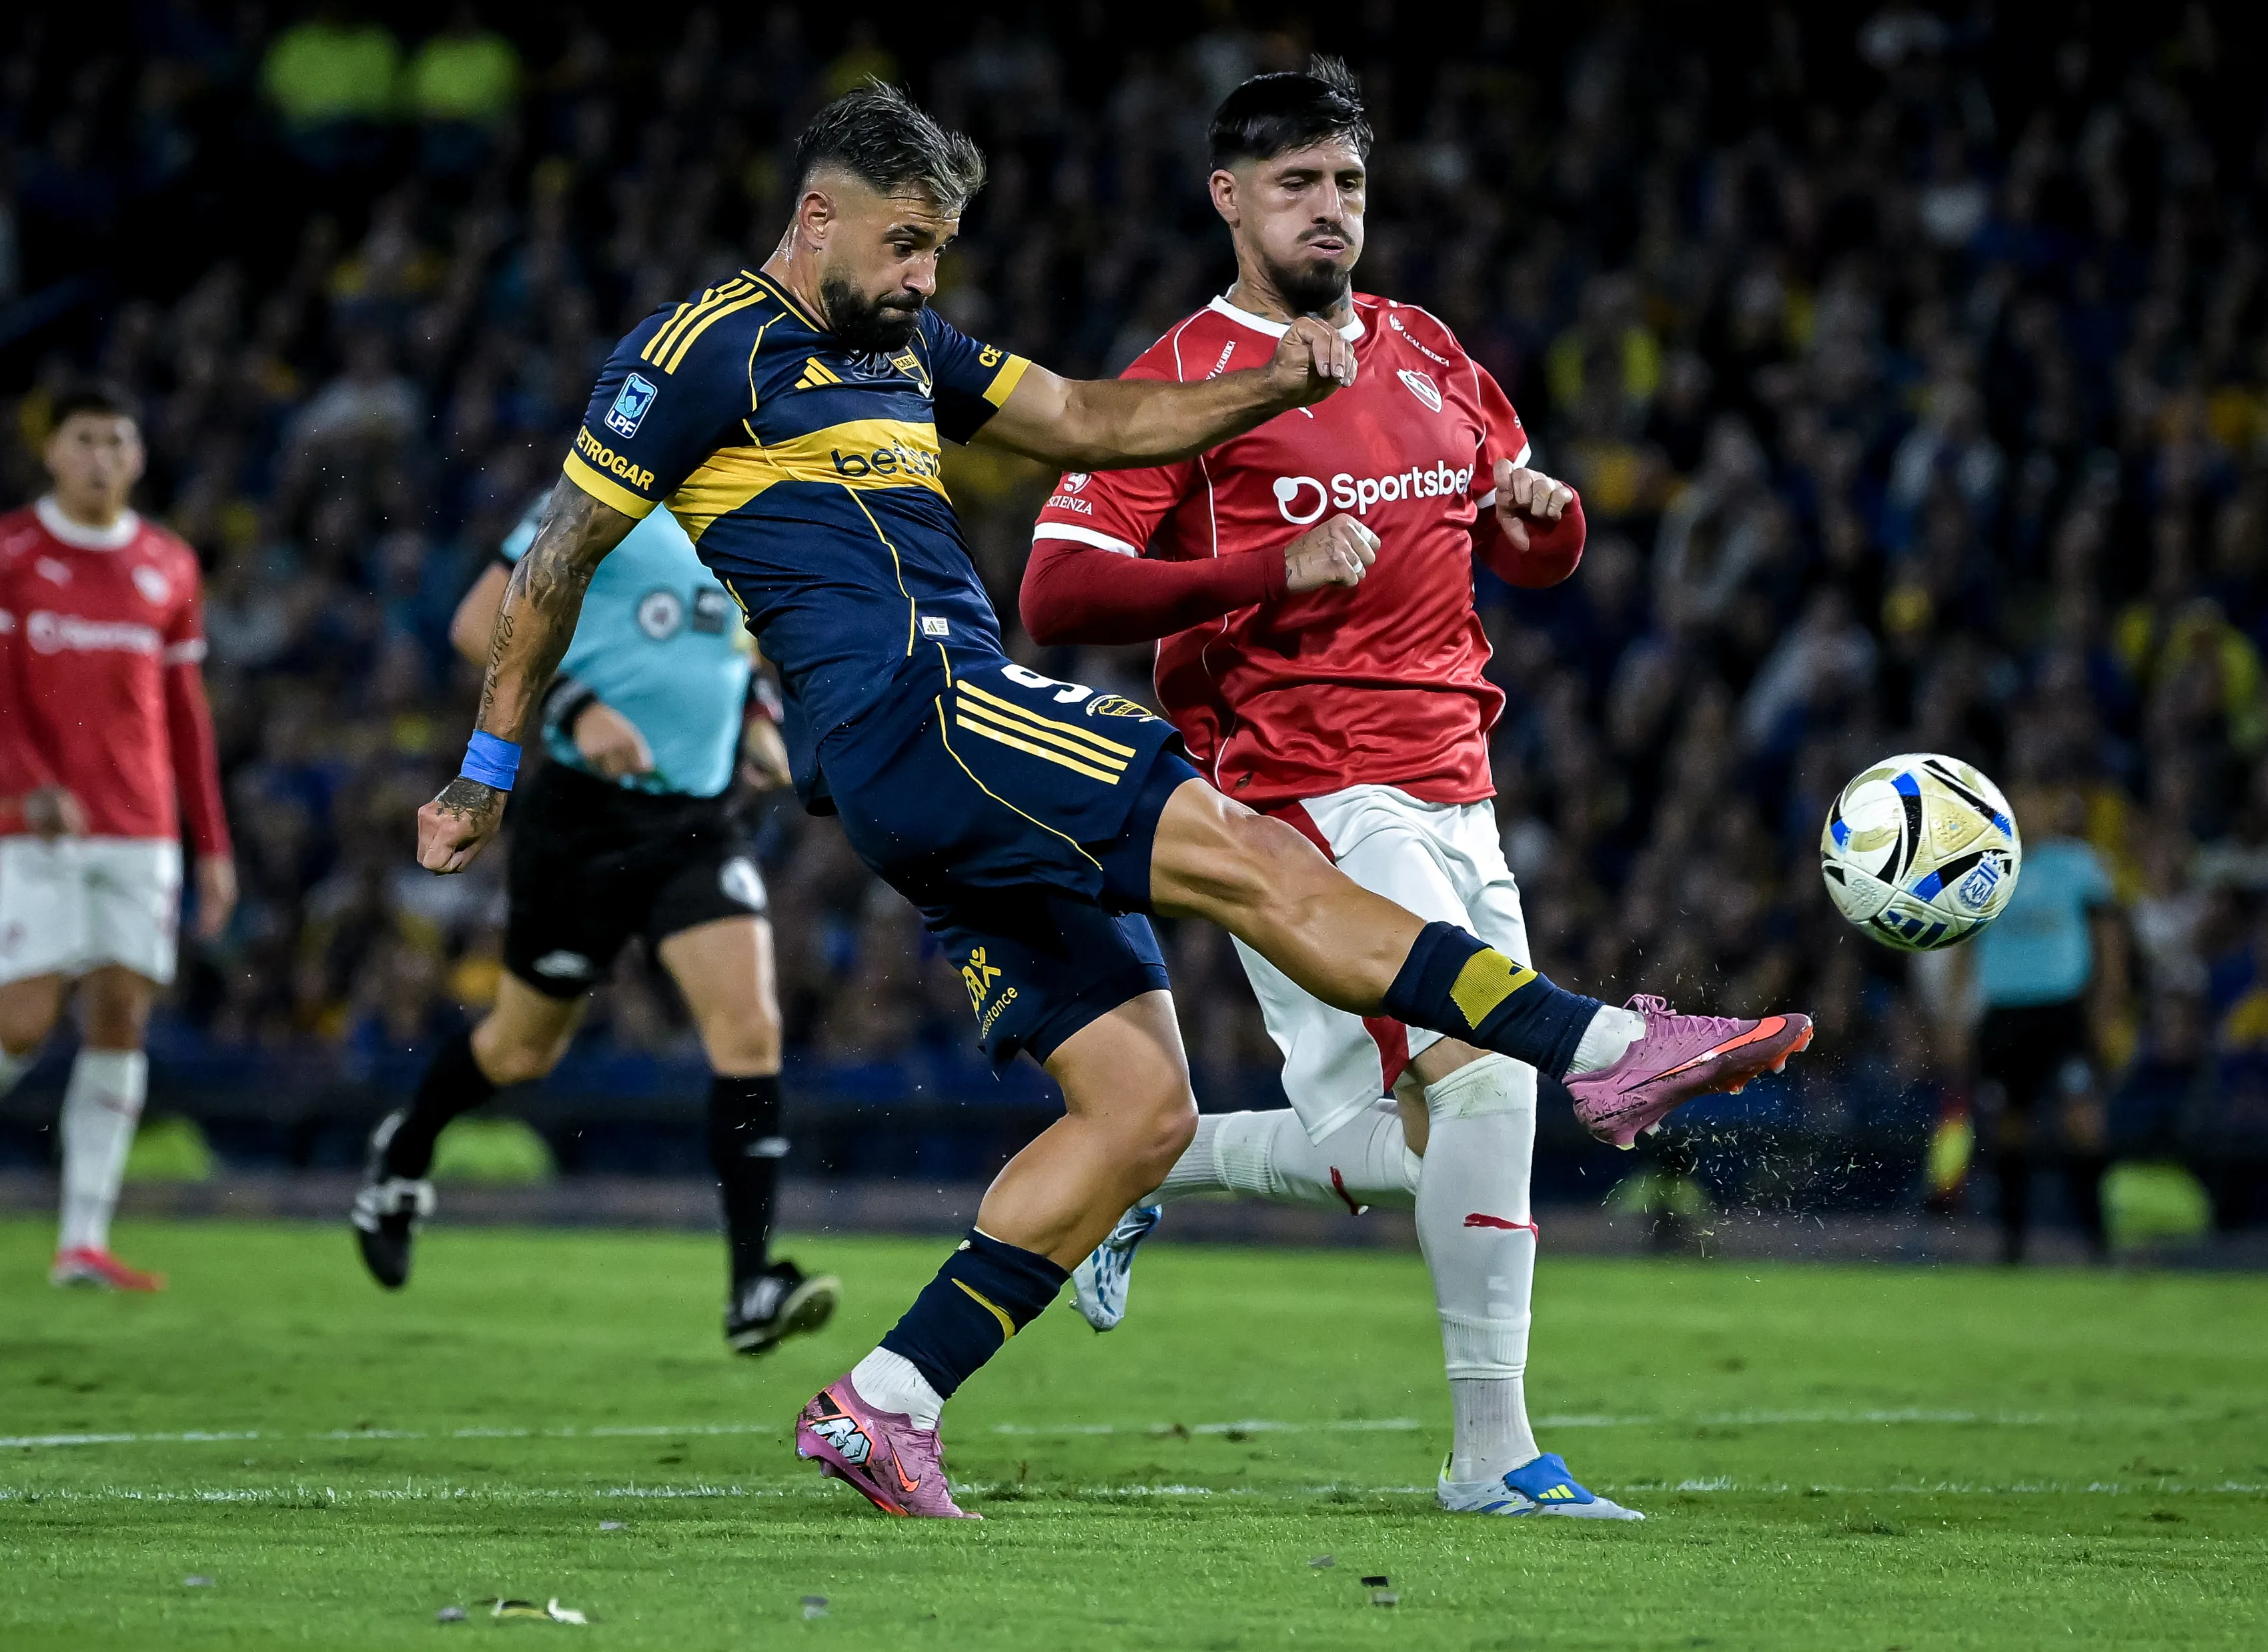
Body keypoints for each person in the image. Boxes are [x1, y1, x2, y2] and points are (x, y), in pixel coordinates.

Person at [413, 82, 1812, 1519]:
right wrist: (489, 769)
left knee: (1140, 1110)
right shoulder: (698, 349)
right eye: (903, 244)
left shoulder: (908, 342)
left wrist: (1272, 385)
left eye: (940, 249)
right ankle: (1606, 1041)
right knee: (1252, 853)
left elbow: (1082, 415)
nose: (923, 279)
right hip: (928, 706)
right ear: (815, 214)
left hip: (919, 763)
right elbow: (558, 558)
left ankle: (884, 1401)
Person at [1022, 60, 1640, 1519]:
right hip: (1295, 788)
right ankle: (1493, 1454)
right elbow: (1056, 590)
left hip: (1452, 776)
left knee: (1442, 1133)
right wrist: (1262, 567)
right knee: (1488, 1075)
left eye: (1346, 182)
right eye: (1296, 184)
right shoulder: (1183, 378)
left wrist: (1543, 528)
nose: (1329, 211)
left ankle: (1152, 1165)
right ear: (1229, 199)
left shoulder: (1426, 349)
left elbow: (1520, 545)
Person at [351, 492, 836, 1356]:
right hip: (583, 822)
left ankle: (751, 1288)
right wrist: (573, 705)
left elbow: (730, 643)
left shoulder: (748, 506)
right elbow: (477, 622)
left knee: (751, 1028)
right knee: (522, 1050)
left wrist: (758, 717)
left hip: (698, 824)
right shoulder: (595, 499)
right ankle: (406, 1149)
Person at [0, 382, 235, 1291]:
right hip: (30, 827)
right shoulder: (14, 553)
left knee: (121, 1013)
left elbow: (185, 714)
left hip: (140, 827)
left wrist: (211, 844)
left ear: (138, 457)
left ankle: (81, 1243)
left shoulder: (169, 563)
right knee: (22, 1016)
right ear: (51, 451)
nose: (101, 457)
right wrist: (27, 784)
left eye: (117, 441)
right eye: (85, 439)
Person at [1960, 782, 2125, 1262]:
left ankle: (2098, 1240)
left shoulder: (2079, 864)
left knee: (2082, 1119)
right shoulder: (1981, 870)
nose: (2027, 811)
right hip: (2005, 1010)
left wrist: (2108, 1006)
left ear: (2054, 807)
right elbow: (1964, 946)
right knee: (2010, 1124)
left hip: (2062, 1008)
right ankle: (2012, 1245)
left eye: (2036, 800)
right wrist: (1955, 1012)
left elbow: (2108, 940)